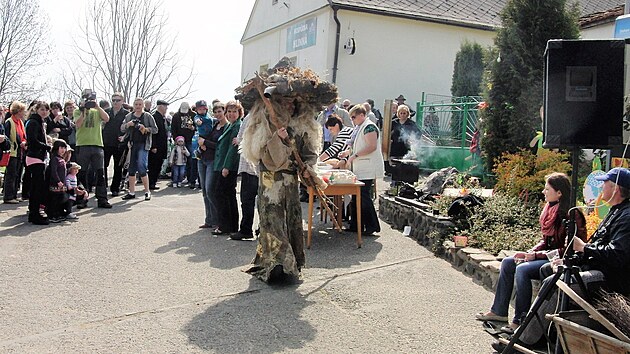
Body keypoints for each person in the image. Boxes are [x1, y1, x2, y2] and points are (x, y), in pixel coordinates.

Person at [493, 167, 630, 351]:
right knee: (550, 270)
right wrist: (570, 260)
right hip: (597, 268)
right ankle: (541, 335)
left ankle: (525, 339)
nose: (601, 187)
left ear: (615, 188)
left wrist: (584, 248)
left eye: (605, 183)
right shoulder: (616, 211)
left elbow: (617, 255)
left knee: (555, 282)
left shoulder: (626, 216)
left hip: (609, 279)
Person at [476, 172, 572, 333]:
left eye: (547, 189)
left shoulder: (569, 215)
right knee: (508, 262)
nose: (543, 192)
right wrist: (530, 252)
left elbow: (566, 249)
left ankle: (520, 320)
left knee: (522, 270)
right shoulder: (550, 209)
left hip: (557, 261)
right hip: (545, 256)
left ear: (559, 193)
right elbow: (545, 240)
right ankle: (498, 311)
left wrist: (535, 256)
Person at [241, 95, 320, 283]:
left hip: (290, 178)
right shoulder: (265, 123)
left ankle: (292, 261)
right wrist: (280, 139)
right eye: (285, 101)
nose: (290, 105)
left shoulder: (303, 125)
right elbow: (263, 155)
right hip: (270, 177)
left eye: (293, 102)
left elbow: (309, 153)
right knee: (271, 218)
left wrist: (308, 168)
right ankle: (277, 263)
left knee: (291, 217)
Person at [340, 104, 384, 235]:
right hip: (359, 168)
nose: (352, 120)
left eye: (353, 117)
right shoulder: (359, 127)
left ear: (361, 115)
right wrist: (348, 153)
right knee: (356, 197)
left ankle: (372, 226)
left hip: (367, 167)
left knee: (364, 197)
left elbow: (371, 146)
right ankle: (355, 225)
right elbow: (358, 145)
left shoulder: (369, 126)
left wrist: (354, 155)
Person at [74, 90, 112, 208]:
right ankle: (82, 199)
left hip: (97, 144)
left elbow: (107, 119)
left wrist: (97, 106)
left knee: (100, 173)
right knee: (82, 173)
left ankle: (102, 199)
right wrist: (84, 111)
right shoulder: (77, 111)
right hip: (83, 145)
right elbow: (78, 124)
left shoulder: (97, 111)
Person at [120, 97, 158, 201]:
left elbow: (155, 129)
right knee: (131, 168)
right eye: (136, 104)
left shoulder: (147, 116)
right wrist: (129, 124)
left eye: (140, 104)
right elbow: (122, 128)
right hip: (132, 144)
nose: (138, 106)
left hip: (143, 144)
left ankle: (147, 191)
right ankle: (131, 192)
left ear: (143, 106)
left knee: (142, 166)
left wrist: (145, 129)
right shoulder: (129, 116)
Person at [213, 100, 242, 236]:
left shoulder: (237, 126)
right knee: (227, 195)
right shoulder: (230, 125)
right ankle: (231, 225)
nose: (231, 114)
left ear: (239, 113)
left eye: (234, 111)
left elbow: (232, 149)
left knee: (222, 194)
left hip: (228, 166)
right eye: (229, 112)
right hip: (222, 164)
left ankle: (225, 225)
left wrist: (226, 167)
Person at [196, 102, 225, 230]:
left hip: (213, 160)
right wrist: (201, 143)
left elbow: (220, 146)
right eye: (216, 112)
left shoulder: (226, 127)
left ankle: (218, 220)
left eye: (220, 111)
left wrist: (205, 142)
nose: (218, 114)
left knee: (210, 190)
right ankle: (209, 219)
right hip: (202, 158)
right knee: (204, 192)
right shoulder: (213, 124)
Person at [231, 112, 258, 240]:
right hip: (256, 166)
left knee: (248, 201)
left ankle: (247, 229)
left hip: (252, 166)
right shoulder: (254, 116)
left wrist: (239, 140)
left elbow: (240, 138)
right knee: (260, 201)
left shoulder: (251, 117)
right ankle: (260, 229)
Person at [25, 101, 52, 225]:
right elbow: (32, 140)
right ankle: (35, 214)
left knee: (37, 187)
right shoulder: (34, 122)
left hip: (38, 157)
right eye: (42, 109)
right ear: (36, 110)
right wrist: (47, 147)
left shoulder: (40, 122)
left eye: (46, 109)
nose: (45, 112)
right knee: (37, 187)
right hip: (35, 157)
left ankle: (33, 212)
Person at [103, 92, 129, 196]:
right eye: (113, 100)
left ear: (122, 101)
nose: (115, 102)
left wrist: (124, 137)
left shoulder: (126, 114)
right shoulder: (106, 112)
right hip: (106, 142)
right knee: (103, 166)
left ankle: (115, 188)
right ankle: (102, 187)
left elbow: (129, 129)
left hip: (119, 144)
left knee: (118, 167)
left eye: (117, 100)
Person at [3, 101, 27, 204]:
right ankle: (8, 196)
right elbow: (8, 137)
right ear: (18, 111)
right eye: (22, 111)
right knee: (11, 174)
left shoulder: (20, 122)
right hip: (12, 152)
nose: (24, 113)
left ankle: (14, 194)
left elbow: (23, 135)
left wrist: (24, 142)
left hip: (20, 151)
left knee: (17, 174)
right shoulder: (9, 121)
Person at [171, 102, 197, 187]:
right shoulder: (176, 116)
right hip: (179, 141)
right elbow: (173, 128)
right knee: (177, 160)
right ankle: (175, 179)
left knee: (190, 160)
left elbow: (197, 127)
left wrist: (193, 128)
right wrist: (175, 138)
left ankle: (191, 179)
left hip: (191, 140)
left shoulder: (193, 115)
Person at [46, 140, 73, 223]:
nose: (63, 150)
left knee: (60, 200)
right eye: (61, 147)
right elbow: (54, 171)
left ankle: (58, 214)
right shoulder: (54, 159)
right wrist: (58, 181)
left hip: (62, 184)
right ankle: (52, 215)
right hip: (55, 184)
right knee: (55, 200)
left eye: (64, 148)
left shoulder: (61, 159)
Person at [148, 99, 169, 190]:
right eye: (165, 106)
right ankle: (151, 183)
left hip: (162, 145)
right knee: (154, 165)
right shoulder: (155, 117)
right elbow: (153, 133)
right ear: (160, 106)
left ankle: (154, 181)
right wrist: (153, 146)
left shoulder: (163, 118)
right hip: (156, 146)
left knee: (158, 164)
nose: (166, 108)